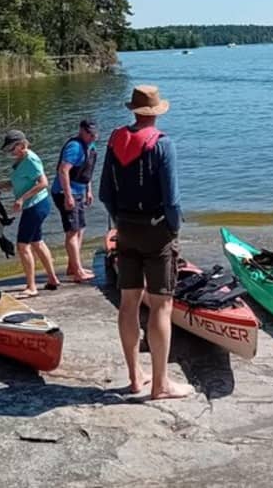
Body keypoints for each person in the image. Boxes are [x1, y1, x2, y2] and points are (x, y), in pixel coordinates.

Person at [99, 85, 194, 400]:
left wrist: (119, 221)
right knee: (161, 306)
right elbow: (173, 199)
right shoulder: (163, 145)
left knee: (128, 303)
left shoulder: (115, 140)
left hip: (125, 229)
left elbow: (105, 194)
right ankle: (161, 385)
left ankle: (134, 377)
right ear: (156, 112)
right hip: (156, 232)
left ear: (134, 110)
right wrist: (174, 230)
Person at [0, 130, 60, 298]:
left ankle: (31, 287)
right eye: (8, 150)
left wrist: (21, 199)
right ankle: (53, 279)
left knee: (22, 245)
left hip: (36, 205)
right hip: (34, 206)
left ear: (21, 145)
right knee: (37, 242)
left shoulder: (31, 159)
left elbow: (43, 183)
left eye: (12, 148)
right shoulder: (21, 160)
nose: (10, 152)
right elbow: (17, 182)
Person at [51, 119, 98, 283]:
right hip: (65, 192)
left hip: (79, 191)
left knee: (81, 228)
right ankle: (77, 271)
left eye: (94, 134)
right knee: (72, 231)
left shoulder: (91, 145)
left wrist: (89, 190)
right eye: (89, 134)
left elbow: (88, 170)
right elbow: (63, 171)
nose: (93, 137)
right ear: (81, 131)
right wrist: (68, 196)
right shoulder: (74, 147)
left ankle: (73, 266)